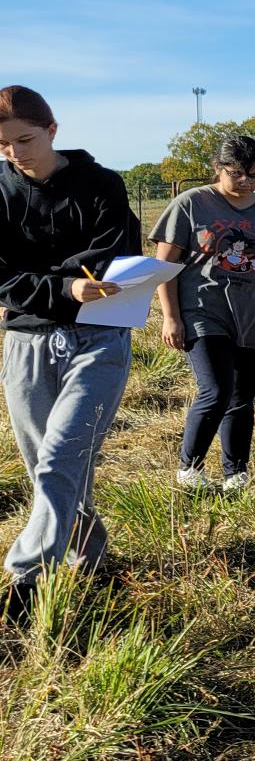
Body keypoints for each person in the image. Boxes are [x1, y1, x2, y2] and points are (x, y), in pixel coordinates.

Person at [0, 85, 142, 623]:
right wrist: (62, 288)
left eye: (25, 139)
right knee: (47, 467)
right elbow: (1, 275)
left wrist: (42, 279)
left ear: (53, 128)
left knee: (62, 457)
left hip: (99, 337)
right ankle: (92, 556)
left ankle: (27, 578)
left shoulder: (102, 184)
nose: (15, 153)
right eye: (3, 146)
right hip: (27, 341)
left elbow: (113, 252)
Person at [153, 136, 255, 489]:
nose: (246, 181)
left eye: (254, 174)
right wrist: (170, 316)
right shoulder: (191, 204)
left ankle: (236, 471)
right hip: (203, 311)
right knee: (217, 389)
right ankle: (189, 469)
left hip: (254, 315)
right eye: (236, 173)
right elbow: (164, 265)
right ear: (217, 169)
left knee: (242, 398)